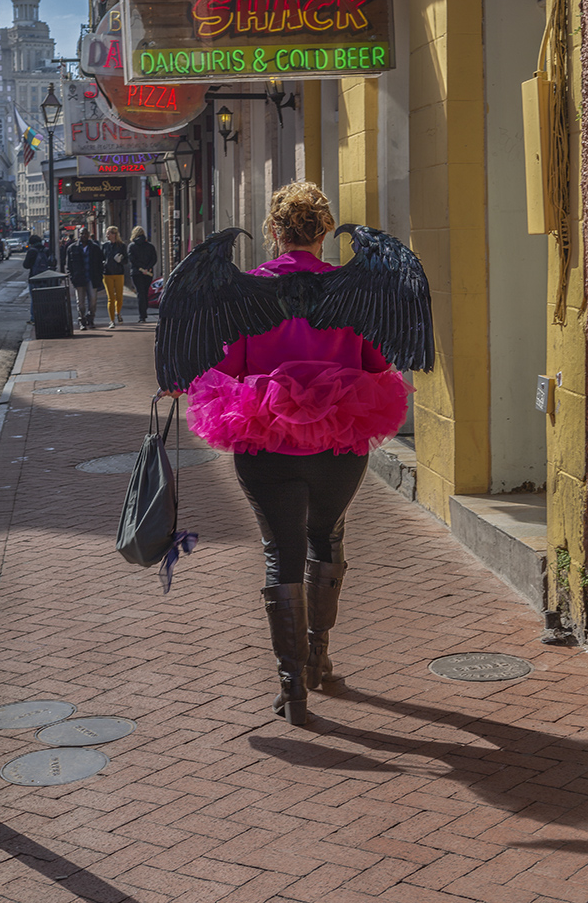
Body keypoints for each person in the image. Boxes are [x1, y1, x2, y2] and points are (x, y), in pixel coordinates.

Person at [160, 183, 412, 725]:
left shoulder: (247, 291)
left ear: (275, 232)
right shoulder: (353, 289)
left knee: (282, 552)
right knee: (328, 536)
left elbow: (225, 366)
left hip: (265, 436)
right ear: (324, 232)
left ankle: (292, 685)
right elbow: (375, 363)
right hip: (341, 435)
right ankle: (319, 656)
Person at [65, 226, 104, 330]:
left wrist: (100, 277)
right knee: (80, 303)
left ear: (89, 235)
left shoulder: (95, 248)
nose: (84, 236)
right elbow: (69, 266)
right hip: (79, 279)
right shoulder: (72, 248)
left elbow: (100, 263)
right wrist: (72, 278)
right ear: (79, 235)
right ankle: (81, 320)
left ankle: (90, 319)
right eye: (82, 234)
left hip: (92, 278)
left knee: (93, 301)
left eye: (85, 234)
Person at [128, 225, 157, 322]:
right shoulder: (150, 246)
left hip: (137, 272)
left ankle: (142, 316)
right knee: (145, 292)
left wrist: (141, 268)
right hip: (148, 273)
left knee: (140, 293)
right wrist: (147, 268)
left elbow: (132, 260)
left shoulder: (131, 246)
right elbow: (154, 258)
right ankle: (144, 310)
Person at [101, 226, 128, 328]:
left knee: (119, 297)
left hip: (118, 273)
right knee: (110, 298)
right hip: (107, 274)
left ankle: (118, 312)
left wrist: (120, 260)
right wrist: (103, 264)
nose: (107, 235)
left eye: (108, 233)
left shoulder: (121, 246)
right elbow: (101, 258)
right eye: (107, 233)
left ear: (114, 234)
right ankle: (112, 320)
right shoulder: (105, 246)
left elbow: (126, 260)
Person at [22, 234, 49, 322]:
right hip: (46, 277)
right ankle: (44, 316)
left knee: (34, 299)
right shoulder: (46, 250)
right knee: (45, 298)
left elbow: (26, 265)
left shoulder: (32, 251)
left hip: (34, 278)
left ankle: (34, 318)